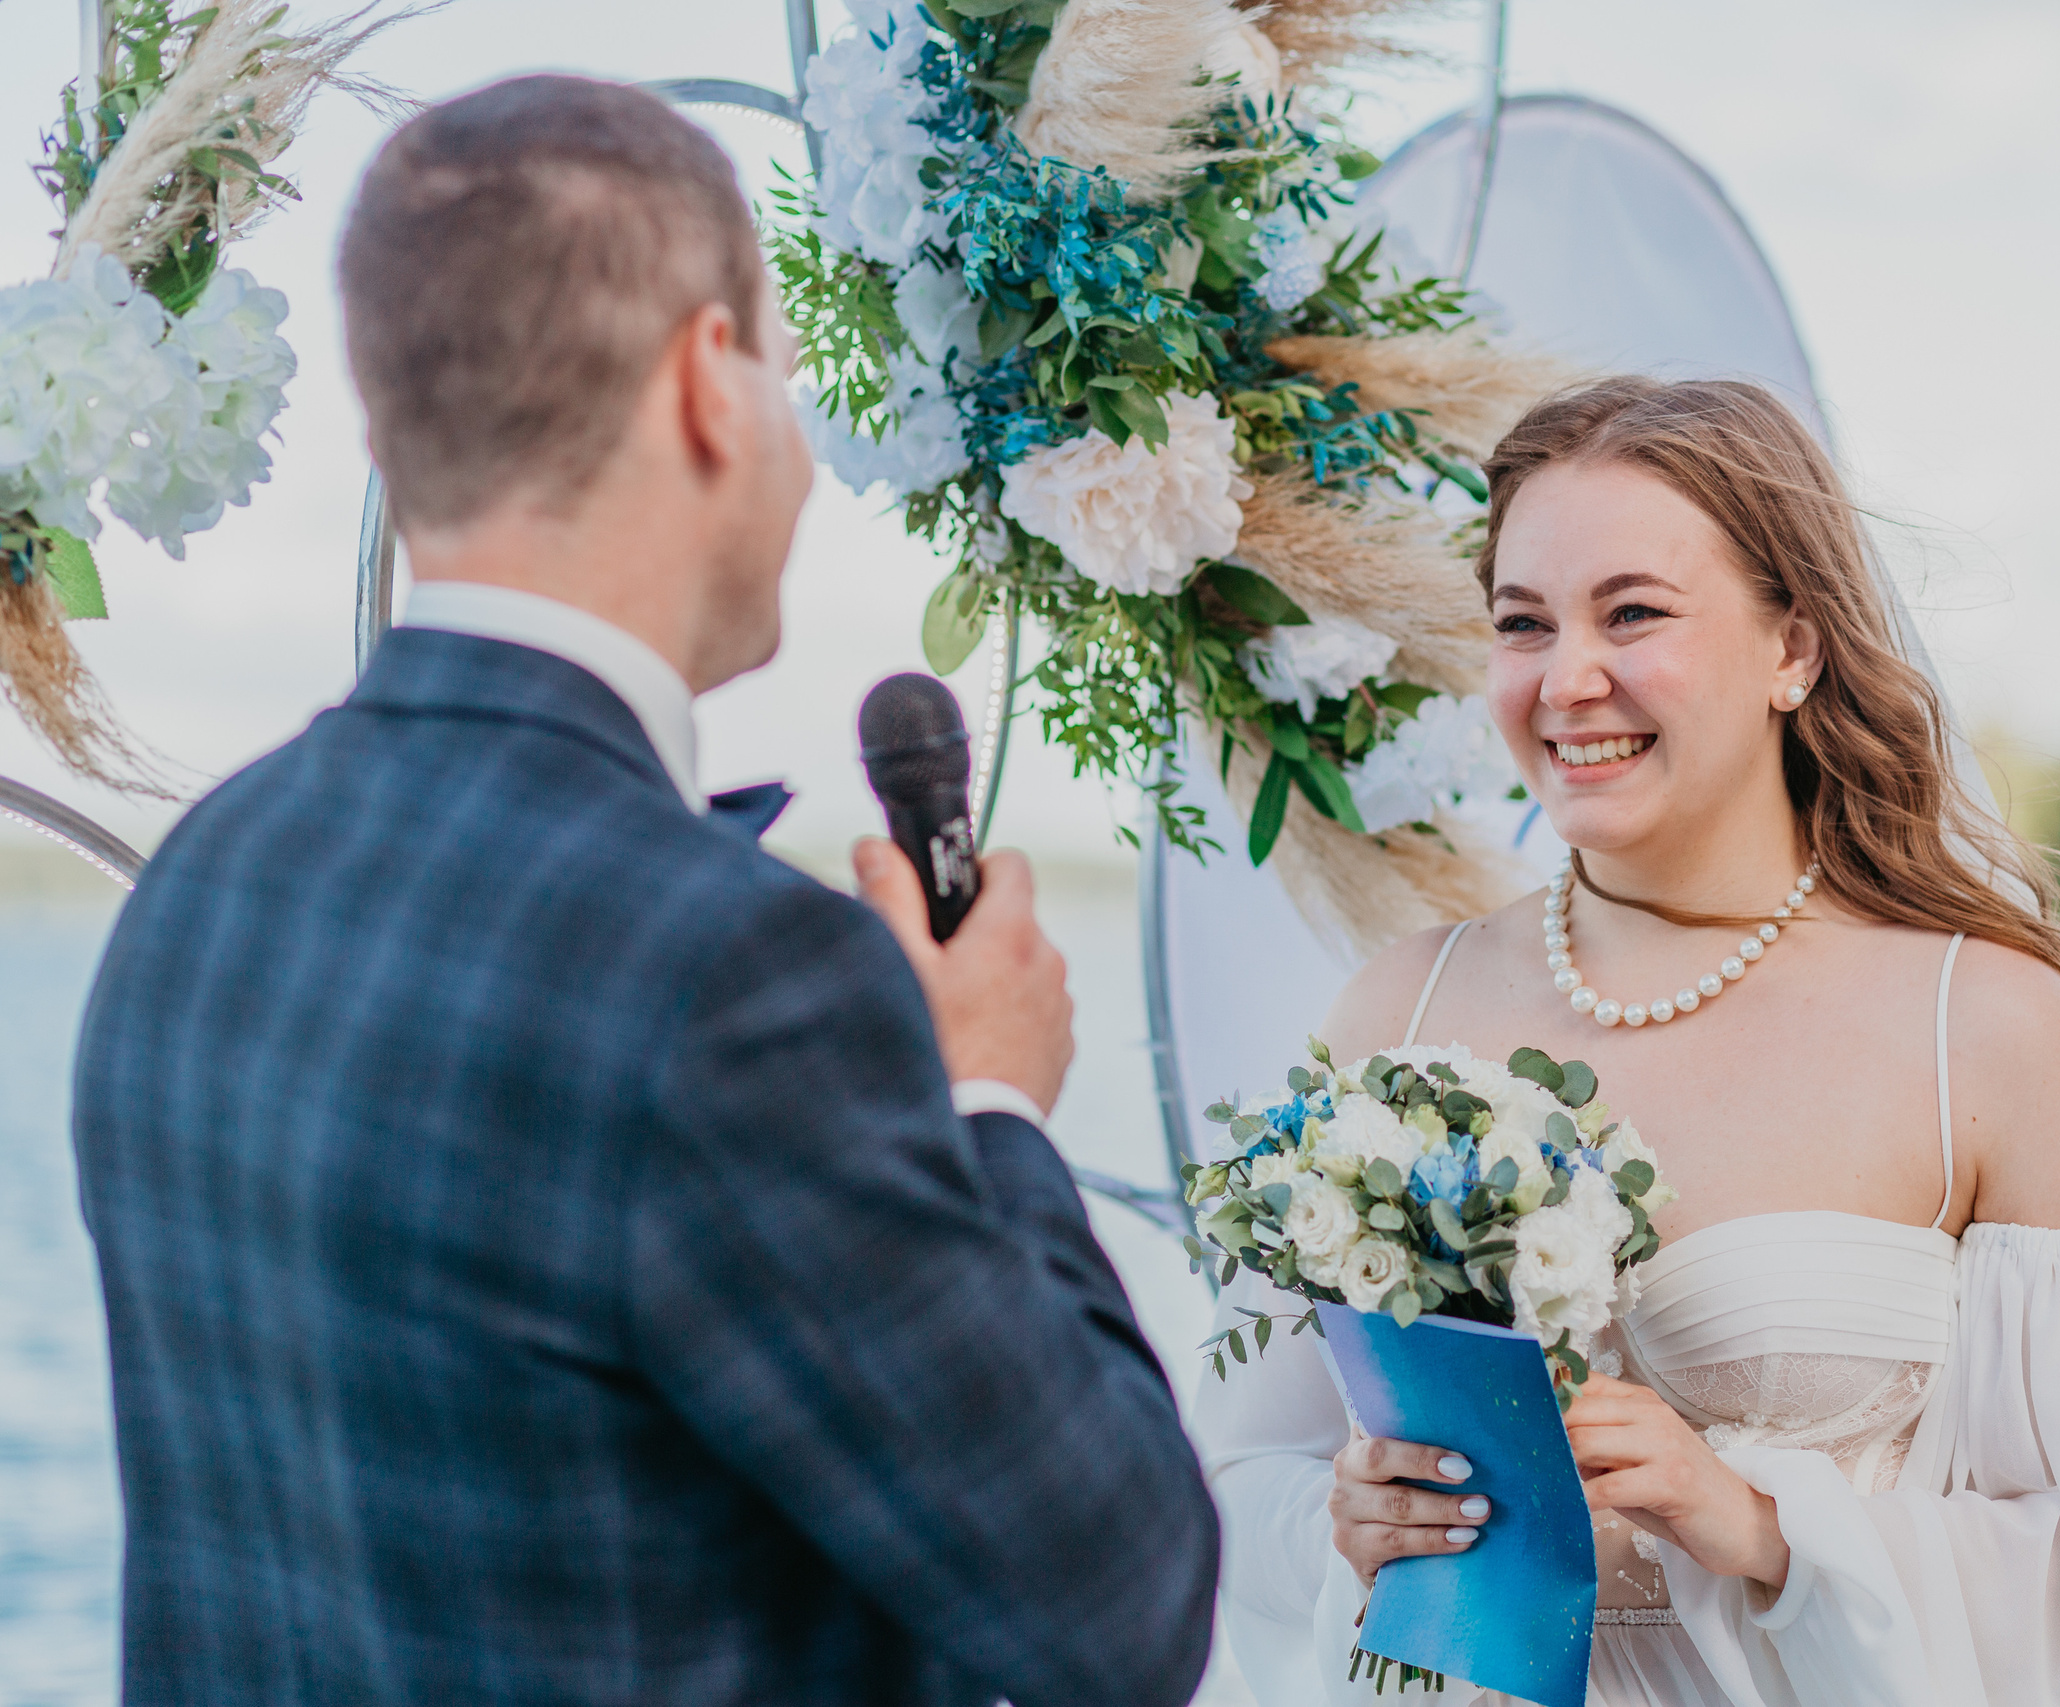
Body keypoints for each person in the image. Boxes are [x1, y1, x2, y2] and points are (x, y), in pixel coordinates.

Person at [71, 76, 1216, 1707]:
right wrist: (990, 1094)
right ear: (707, 384)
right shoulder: (739, 981)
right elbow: (1124, 1611)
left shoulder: (205, 883)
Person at [1192, 378, 2060, 1706]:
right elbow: (1233, 1495)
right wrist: (1345, 1521)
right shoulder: (1396, 1019)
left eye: (1634, 614)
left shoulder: (1992, 1035)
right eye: (1522, 623)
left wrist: (1767, 1531)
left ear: (1798, 648)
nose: (1567, 679)